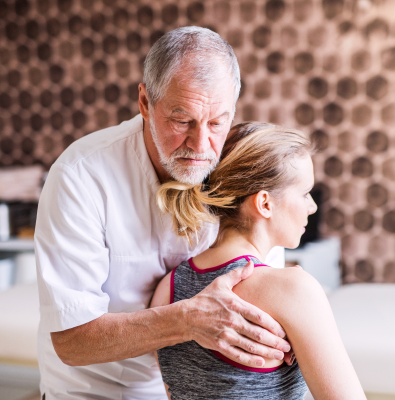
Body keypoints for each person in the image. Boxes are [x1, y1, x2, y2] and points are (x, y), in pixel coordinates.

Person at [35, 27, 293, 399]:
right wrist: (190, 320)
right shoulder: (80, 175)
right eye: (182, 120)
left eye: (218, 122)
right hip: (91, 392)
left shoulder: (238, 174)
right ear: (144, 102)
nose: (201, 145)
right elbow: (72, 341)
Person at [151, 122, 366, 400]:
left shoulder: (167, 289)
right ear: (264, 203)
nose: (312, 206)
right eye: (304, 194)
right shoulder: (294, 290)